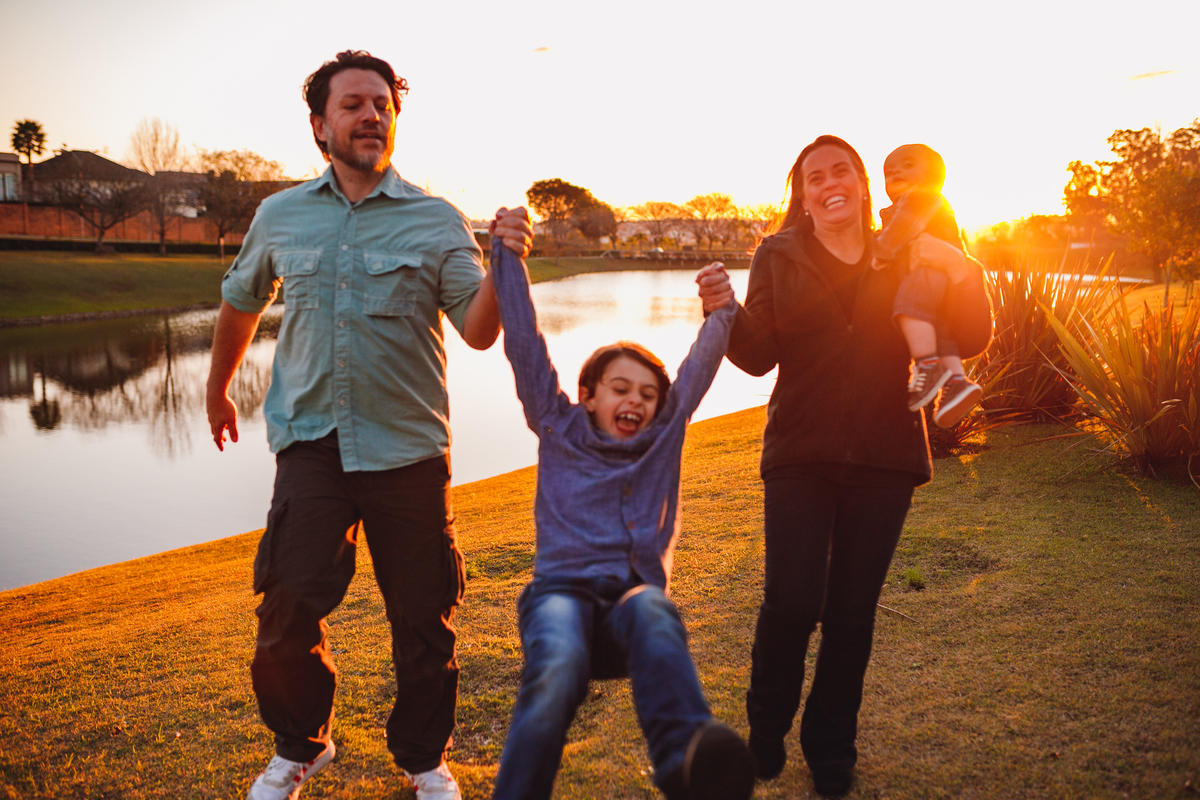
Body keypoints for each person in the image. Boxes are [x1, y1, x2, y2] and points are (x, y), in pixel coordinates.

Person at [204, 50, 533, 800]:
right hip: (311, 445)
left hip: (408, 452)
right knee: (287, 611)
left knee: (424, 623)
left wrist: (509, 265)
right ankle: (300, 745)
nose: (370, 115)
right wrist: (219, 389)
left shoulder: (436, 219)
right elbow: (240, 300)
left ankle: (424, 761)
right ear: (320, 126)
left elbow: (479, 330)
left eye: (381, 104)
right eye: (352, 104)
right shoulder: (280, 214)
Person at [696, 135, 991, 797]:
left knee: (853, 613)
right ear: (801, 193)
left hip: (887, 452)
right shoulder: (778, 253)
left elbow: (967, 335)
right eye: (813, 177)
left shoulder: (904, 248)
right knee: (793, 600)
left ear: (862, 184)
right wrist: (724, 309)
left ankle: (831, 748)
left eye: (841, 172)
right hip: (801, 448)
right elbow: (759, 354)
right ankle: (767, 725)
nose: (828, 184)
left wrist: (966, 270)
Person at [486, 237, 755, 800]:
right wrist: (507, 255)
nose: (636, 400)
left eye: (649, 394)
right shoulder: (558, 426)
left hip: (630, 606)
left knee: (654, 611)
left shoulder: (663, 436)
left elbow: (700, 363)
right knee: (558, 662)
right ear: (588, 395)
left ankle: (683, 760)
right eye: (621, 388)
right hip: (562, 597)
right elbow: (525, 343)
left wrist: (723, 306)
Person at [874, 143, 983, 427]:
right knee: (935, 327)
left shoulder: (921, 197)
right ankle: (957, 381)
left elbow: (899, 233)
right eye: (889, 170)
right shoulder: (907, 203)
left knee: (909, 309)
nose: (896, 171)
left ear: (933, 177)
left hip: (929, 269)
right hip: (938, 280)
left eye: (908, 165)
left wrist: (877, 255)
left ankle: (928, 365)